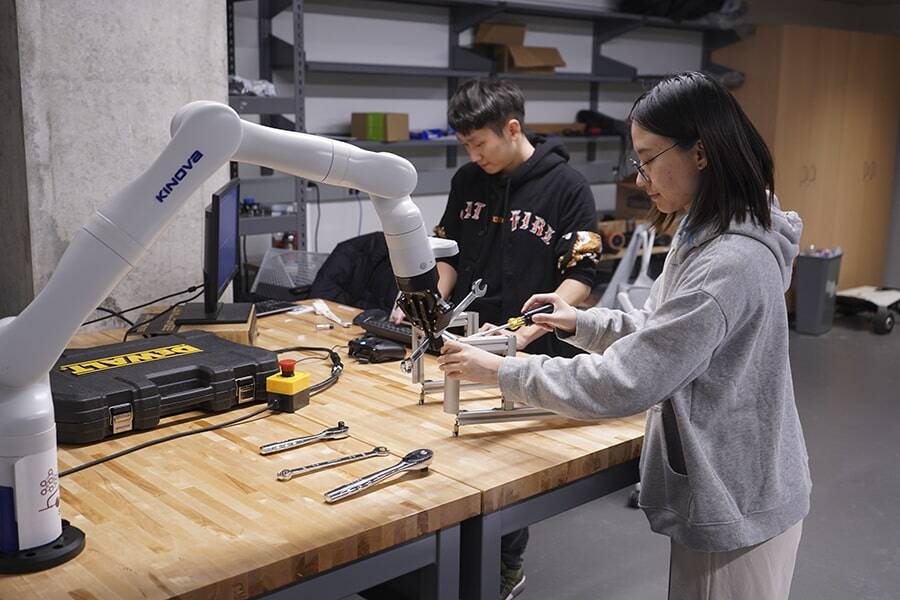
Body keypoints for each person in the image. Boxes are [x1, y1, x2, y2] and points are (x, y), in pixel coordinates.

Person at [437, 71, 811, 600]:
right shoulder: (701, 232)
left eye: (648, 158)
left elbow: (630, 380)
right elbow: (663, 332)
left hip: (739, 496)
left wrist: (502, 371)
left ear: (699, 153)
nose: (640, 179)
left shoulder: (729, 262)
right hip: (726, 478)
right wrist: (581, 322)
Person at [395, 77, 602, 600]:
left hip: (532, 343)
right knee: (455, 445)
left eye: (480, 143)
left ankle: (505, 566)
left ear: (512, 128)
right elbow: (448, 257)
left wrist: (530, 332)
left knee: (506, 466)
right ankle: (451, 563)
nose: (474, 154)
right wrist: (426, 302)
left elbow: (582, 277)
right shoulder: (468, 181)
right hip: (464, 336)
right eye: (465, 144)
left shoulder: (567, 187)